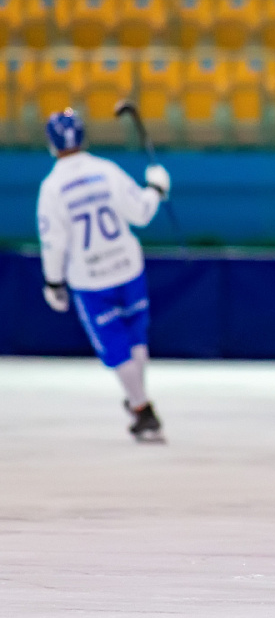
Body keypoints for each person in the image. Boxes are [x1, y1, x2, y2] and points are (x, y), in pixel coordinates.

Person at [36, 108, 171, 443]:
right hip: (128, 267)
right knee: (136, 336)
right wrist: (156, 188)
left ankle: (141, 408)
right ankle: (139, 403)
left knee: (115, 345)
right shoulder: (106, 170)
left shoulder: (52, 188)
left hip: (91, 278)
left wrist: (54, 282)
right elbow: (140, 212)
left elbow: (54, 243)